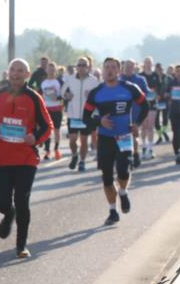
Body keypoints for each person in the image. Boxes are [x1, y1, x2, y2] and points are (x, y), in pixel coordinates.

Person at [0, 58, 53, 257]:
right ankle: (8, 213)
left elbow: (48, 126)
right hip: (2, 158)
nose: (16, 74)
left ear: (27, 75)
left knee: (22, 200)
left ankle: (21, 245)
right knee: (2, 202)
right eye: (13, 70)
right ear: (8, 73)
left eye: (20, 71)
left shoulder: (34, 98)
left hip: (26, 159)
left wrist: (35, 138)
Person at [83, 58, 149, 226]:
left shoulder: (130, 88)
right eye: (107, 68)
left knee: (123, 170)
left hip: (125, 136)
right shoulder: (96, 92)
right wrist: (99, 122)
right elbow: (85, 117)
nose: (110, 70)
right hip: (105, 138)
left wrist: (137, 124)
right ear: (102, 71)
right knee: (106, 176)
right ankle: (113, 211)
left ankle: (123, 192)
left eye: (113, 68)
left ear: (118, 71)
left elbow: (145, 106)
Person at [61, 57, 99, 172]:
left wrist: (92, 96)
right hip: (73, 115)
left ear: (88, 67)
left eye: (84, 65)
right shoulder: (70, 79)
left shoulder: (93, 81)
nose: (82, 67)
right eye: (80, 65)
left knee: (83, 140)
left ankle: (82, 161)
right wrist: (67, 95)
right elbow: (62, 92)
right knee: (72, 139)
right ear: (76, 67)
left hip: (86, 115)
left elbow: (99, 96)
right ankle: (74, 155)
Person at [120, 59, 150, 168]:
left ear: (134, 68)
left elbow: (145, 94)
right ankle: (126, 156)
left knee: (133, 135)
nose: (128, 68)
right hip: (122, 113)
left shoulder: (140, 80)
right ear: (123, 67)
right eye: (126, 66)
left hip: (136, 112)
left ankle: (135, 153)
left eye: (130, 67)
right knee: (122, 136)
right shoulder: (119, 80)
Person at [138, 57, 162, 160]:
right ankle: (143, 147)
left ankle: (150, 148)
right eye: (146, 62)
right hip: (142, 104)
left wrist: (156, 93)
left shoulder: (155, 75)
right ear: (144, 64)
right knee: (143, 127)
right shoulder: (140, 76)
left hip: (152, 104)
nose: (148, 64)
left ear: (152, 64)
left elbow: (160, 88)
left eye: (150, 63)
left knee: (151, 126)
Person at [39, 62, 64, 160]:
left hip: (57, 108)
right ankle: (47, 151)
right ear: (46, 70)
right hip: (47, 109)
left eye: (53, 69)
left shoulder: (59, 82)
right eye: (49, 69)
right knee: (47, 130)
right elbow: (40, 95)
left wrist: (58, 97)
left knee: (57, 130)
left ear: (56, 70)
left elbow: (64, 95)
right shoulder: (43, 82)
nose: (51, 71)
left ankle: (56, 149)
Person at [154, 62, 171, 143]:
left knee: (165, 119)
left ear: (162, 69)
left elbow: (172, 88)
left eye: (160, 69)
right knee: (156, 120)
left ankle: (164, 132)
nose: (159, 71)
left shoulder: (167, 78)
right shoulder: (153, 77)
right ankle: (160, 136)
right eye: (157, 69)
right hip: (156, 101)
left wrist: (168, 93)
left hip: (165, 101)